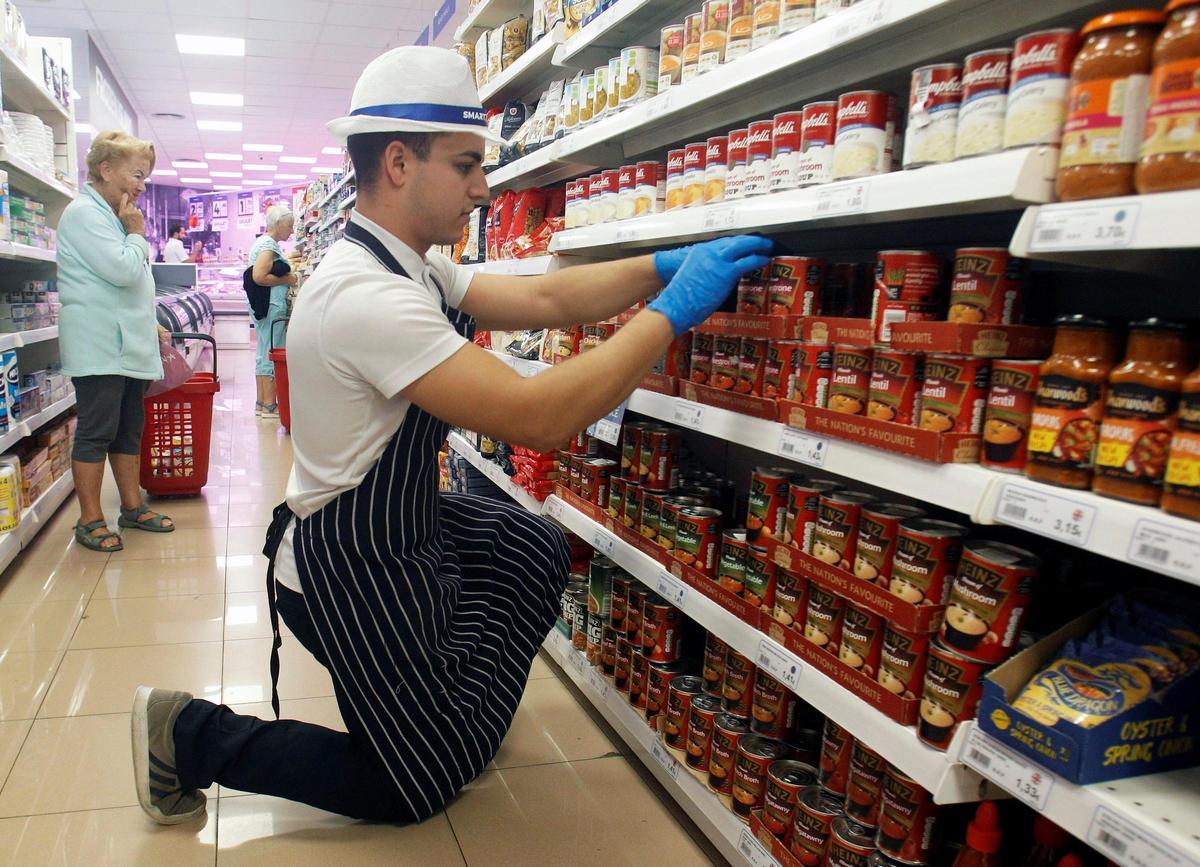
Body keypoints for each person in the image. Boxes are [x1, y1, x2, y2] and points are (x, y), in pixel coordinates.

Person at [130, 47, 770, 825]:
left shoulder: (410, 268)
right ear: (400, 162)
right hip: (347, 565)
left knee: (533, 551)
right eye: (467, 165)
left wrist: (660, 265)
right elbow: (542, 416)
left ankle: (445, 724)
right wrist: (672, 312)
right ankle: (189, 731)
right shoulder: (365, 295)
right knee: (406, 791)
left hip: (404, 527)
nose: (482, 186)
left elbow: (548, 298)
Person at [57, 130, 175, 552]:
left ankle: (131, 505)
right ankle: (90, 519)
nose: (141, 186)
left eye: (145, 178)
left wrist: (152, 321)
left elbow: (131, 285)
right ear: (106, 169)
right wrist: (137, 232)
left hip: (126, 342)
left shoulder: (113, 215)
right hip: (100, 345)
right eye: (136, 175)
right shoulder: (85, 215)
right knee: (96, 431)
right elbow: (125, 270)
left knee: (128, 429)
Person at [248, 206, 297, 418]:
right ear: (278, 224)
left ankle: (261, 402)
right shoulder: (269, 245)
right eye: (290, 225)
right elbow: (259, 276)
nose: (292, 231)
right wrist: (288, 279)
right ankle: (270, 405)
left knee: (262, 351)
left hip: (263, 306)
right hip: (272, 305)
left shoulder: (261, 243)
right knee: (272, 351)